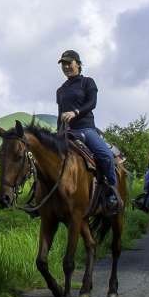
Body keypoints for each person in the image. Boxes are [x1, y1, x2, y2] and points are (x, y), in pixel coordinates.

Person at [56, 49, 119, 214]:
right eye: (63, 64)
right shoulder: (60, 90)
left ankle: (111, 191)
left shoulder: (88, 82)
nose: (66, 67)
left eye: (69, 63)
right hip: (66, 132)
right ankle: (41, 196)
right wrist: (56, 134)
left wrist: (75, 112)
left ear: (78, 64)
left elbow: (92, 103)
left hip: (85, 128)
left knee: (105, 155)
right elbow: (60, 114)